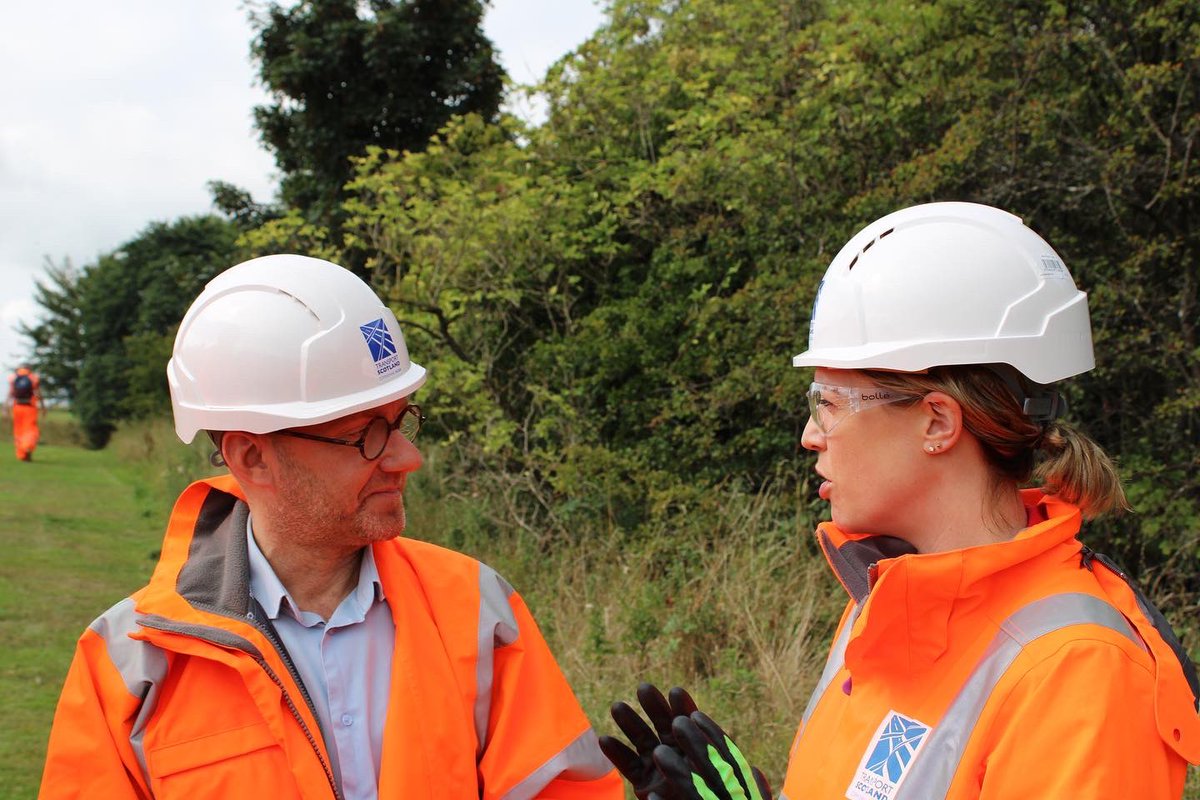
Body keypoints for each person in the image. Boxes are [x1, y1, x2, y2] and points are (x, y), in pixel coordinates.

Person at [600, 202, 1200, 800]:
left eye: (830, 402)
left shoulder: (1078, 671)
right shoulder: (885, 603)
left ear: (937, 422)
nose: (811, 435)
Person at [39, 254, 622, 800]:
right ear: (252, 458)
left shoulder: (474, 608)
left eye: (401, 422)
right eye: (366, 435)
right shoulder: (130, 664)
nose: (406, 458)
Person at [6, 363, 45, 461]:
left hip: (17, 407)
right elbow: (39, 394)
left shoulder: (14, 378)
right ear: (30, 369)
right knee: (31, 429)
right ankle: (27, 447)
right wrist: (43, 407)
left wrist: (5, 406)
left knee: (18, 431)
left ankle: (21, 454)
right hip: (30, 408)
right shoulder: (33, 378)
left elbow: (11, 392)